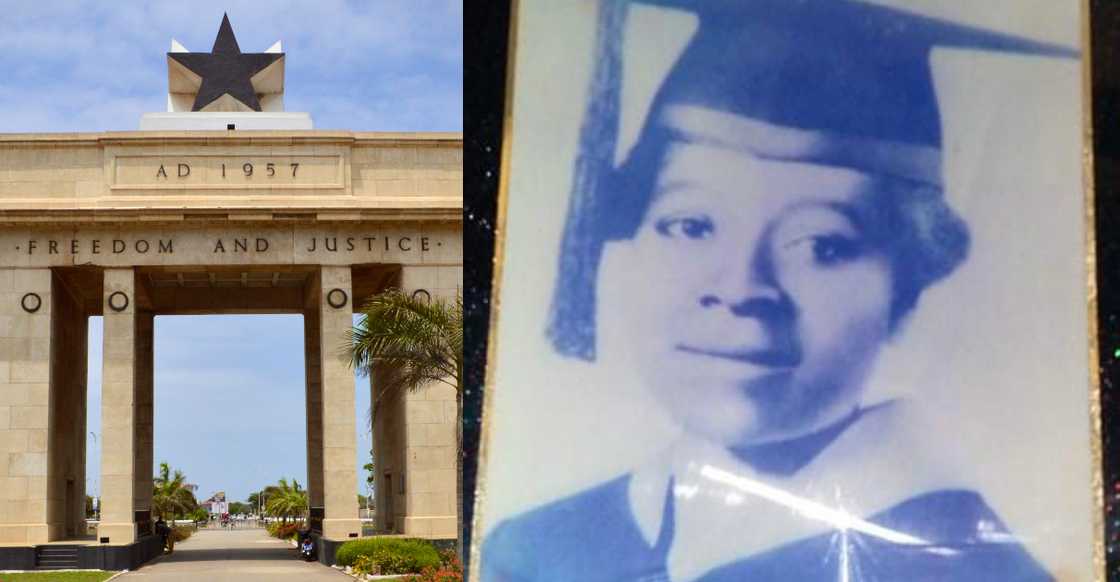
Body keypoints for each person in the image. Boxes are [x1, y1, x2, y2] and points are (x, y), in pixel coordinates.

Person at [482, 1, 1075, 580]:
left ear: (908, 290)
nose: (741, 289)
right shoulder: (538, 549)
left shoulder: (969, 568)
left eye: (822, 245)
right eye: (691, 225)